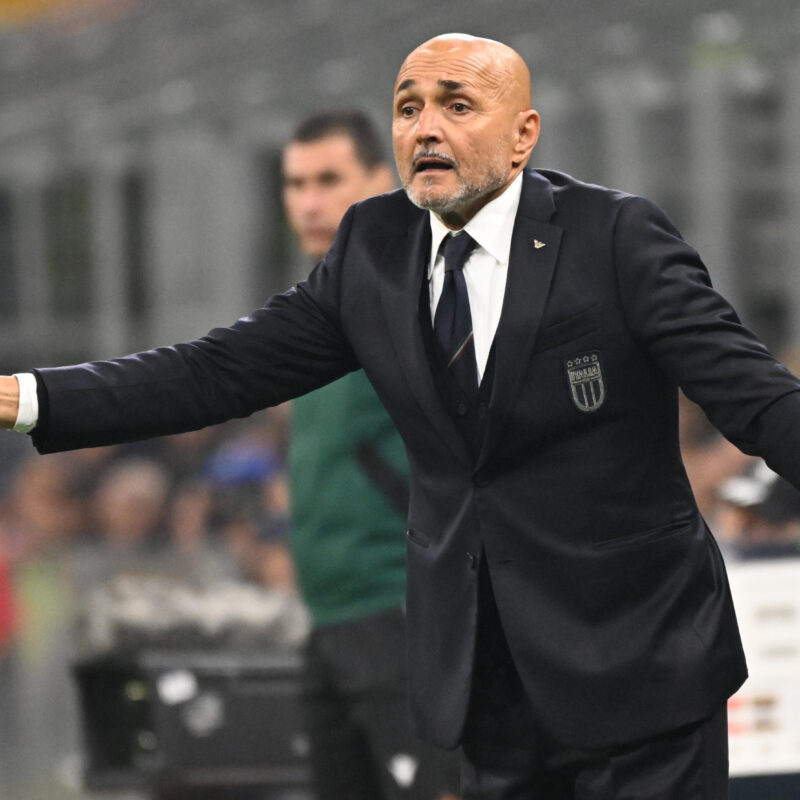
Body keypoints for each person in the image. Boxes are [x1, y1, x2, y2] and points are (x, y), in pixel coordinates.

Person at [3, 31, 800, 799]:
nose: (425, 126)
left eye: (457, 105)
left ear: (523, 135)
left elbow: (752, 395)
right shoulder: (373, 248)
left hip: (640, 667)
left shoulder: (615, 235)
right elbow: (220, 370)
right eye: (408, 106)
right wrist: (27, 396)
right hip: (484, 684)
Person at [281, 110, 459, 800]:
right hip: (329, 617)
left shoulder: (415, 290)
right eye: (296, 183)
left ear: (382, 182)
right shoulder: (318, 305)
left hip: (402, 606)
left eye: (330, 179)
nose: (310, 201)